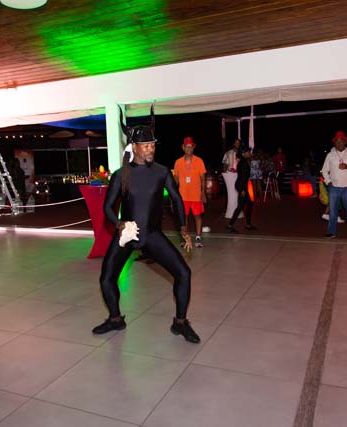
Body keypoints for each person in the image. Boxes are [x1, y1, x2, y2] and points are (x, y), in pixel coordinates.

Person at [92, 107, 200, 344]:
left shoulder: (162, 172)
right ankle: (115, 319)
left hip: (151, 235)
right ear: (134, 147)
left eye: (153, 144)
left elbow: (176, 199)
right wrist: (119, 225)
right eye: (146, 145)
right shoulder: (121, 175)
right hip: (127, 235)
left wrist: (183, 229)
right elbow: (108, 207)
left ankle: (180, 323)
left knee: (184, 273)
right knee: (106, 278)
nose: (151, 148)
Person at [321, 131, 347, 239]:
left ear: (345, 142)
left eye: (341, 141)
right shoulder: (330, 155)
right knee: (333, 211)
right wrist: (328, 181)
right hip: (334, 187)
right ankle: (331, 232)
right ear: (334, 143)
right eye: (337, 141)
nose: (339, 143)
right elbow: (324, 170)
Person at [173, 137, 207, 247]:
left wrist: (203, 192)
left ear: (193, 148)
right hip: (183, 196)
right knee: (184, 218)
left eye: (191, 147)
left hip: (196, 195)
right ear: (183, 148)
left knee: (197, 216)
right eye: (187, 147)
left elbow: (203, 178)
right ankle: (185, 238)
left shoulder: (199, 161)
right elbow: (175, 180)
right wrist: (174, 195)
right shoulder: (178, 162)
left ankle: (198, 237)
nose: (189, 149)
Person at [226, 145, 256, 233]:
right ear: (243, 153)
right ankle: (230, 225)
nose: (250, 153)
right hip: (241, 186)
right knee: (240, 207)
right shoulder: (243, 163)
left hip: (242, 186)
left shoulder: (244, 161)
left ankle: (248, 225)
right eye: (248, 152)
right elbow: (242, 177)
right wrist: (242, 189)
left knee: (249, 204)